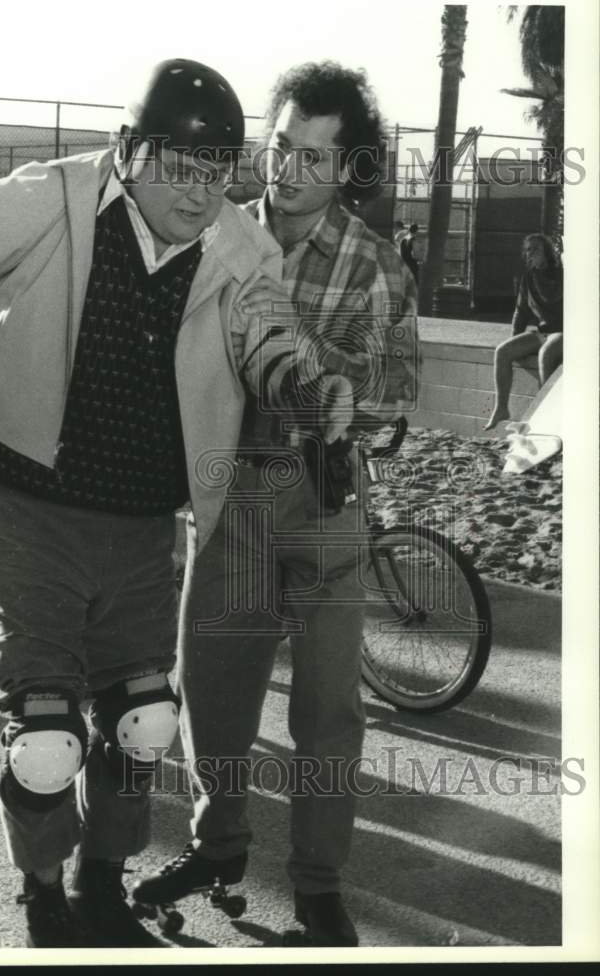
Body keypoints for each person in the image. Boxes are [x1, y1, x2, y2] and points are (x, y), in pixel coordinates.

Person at [0, 58, 352, 949]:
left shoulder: (241, 245)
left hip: (140, 524)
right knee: (47, 735)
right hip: (26, 506)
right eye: (180, 167)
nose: (201, 193)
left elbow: (268, 330)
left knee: (140, 725)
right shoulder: (52, 196)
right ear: (130, 151)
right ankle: (43, 890)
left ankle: (102, 882)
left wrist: (301, 388)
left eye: (217, 172)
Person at [133, 61, 418, 946]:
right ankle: (217, 849)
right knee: (212, 697)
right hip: (228, 499)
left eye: (314, 158)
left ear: (346, 172)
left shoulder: (374, 265)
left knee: (329, 712)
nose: (289, 170)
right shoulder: (210, 235)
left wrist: (333, 383)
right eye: (282, 146)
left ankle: (320, 886)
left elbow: (399, 393)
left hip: (326, 503)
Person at [484, 233, 563, 430]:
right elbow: (520, 311)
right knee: (502, 351)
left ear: (547, 251)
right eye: (527, 250)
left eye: (535, 249)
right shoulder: (528, 277)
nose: (530, 254)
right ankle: (501, 408)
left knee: (546, 354)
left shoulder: (563, 272)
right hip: (542, 332)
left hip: (563, 331)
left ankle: (547, 411)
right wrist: (515, 338)